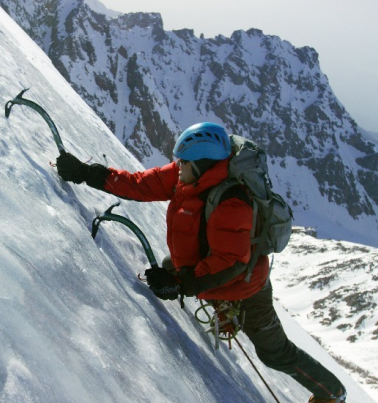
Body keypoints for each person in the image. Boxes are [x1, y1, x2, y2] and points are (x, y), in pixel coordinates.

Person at [56, 122, 347, 403]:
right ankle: (222, 307)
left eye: (183, 162)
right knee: (170, 267)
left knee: (274, 353)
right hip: (210, 273)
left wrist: (181, 285)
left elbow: (231, 263)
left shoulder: (232, 203)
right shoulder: (189, 175)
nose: (177, 166)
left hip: (246, 289)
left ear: (204, 164)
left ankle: (332, 393)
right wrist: (87, 173)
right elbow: (141, 185)